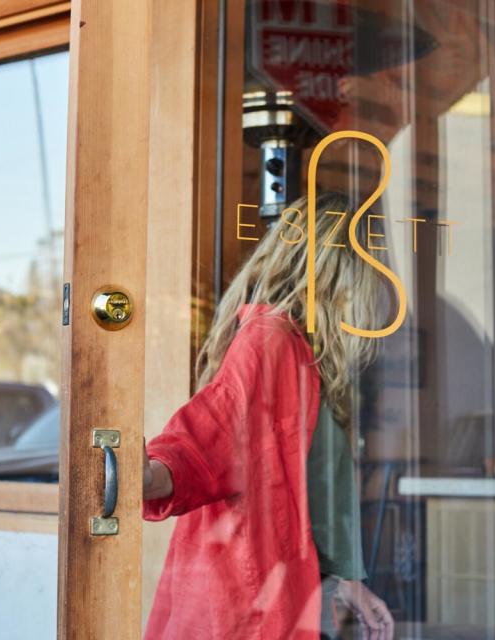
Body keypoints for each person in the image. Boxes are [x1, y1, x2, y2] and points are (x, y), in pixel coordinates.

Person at [142, 192, 395, 639]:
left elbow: (318, 484)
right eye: (366, 269)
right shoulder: (271, 340)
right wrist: (147, 473)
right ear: (335, 272)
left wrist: (350, 581)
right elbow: (214, 429)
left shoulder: (303, 352)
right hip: (252, 598)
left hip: (286, 591)